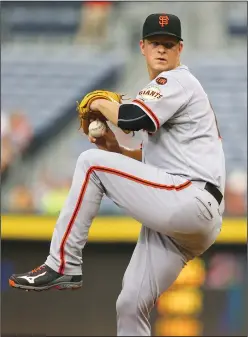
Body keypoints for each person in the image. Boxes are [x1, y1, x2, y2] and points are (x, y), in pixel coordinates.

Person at [9, 13, 225, 336]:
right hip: (189, 214)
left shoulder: (177, 81)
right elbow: (151, 164)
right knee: (130, 304)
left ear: (181, 49)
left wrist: (99, 100)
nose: (161, 50)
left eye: (168, 44)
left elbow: (131, 116)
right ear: (142, 46)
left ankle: (63, 263)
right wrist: (115, 149)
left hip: (190, 198)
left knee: (89, 163)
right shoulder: (167, 94)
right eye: (155, 43)